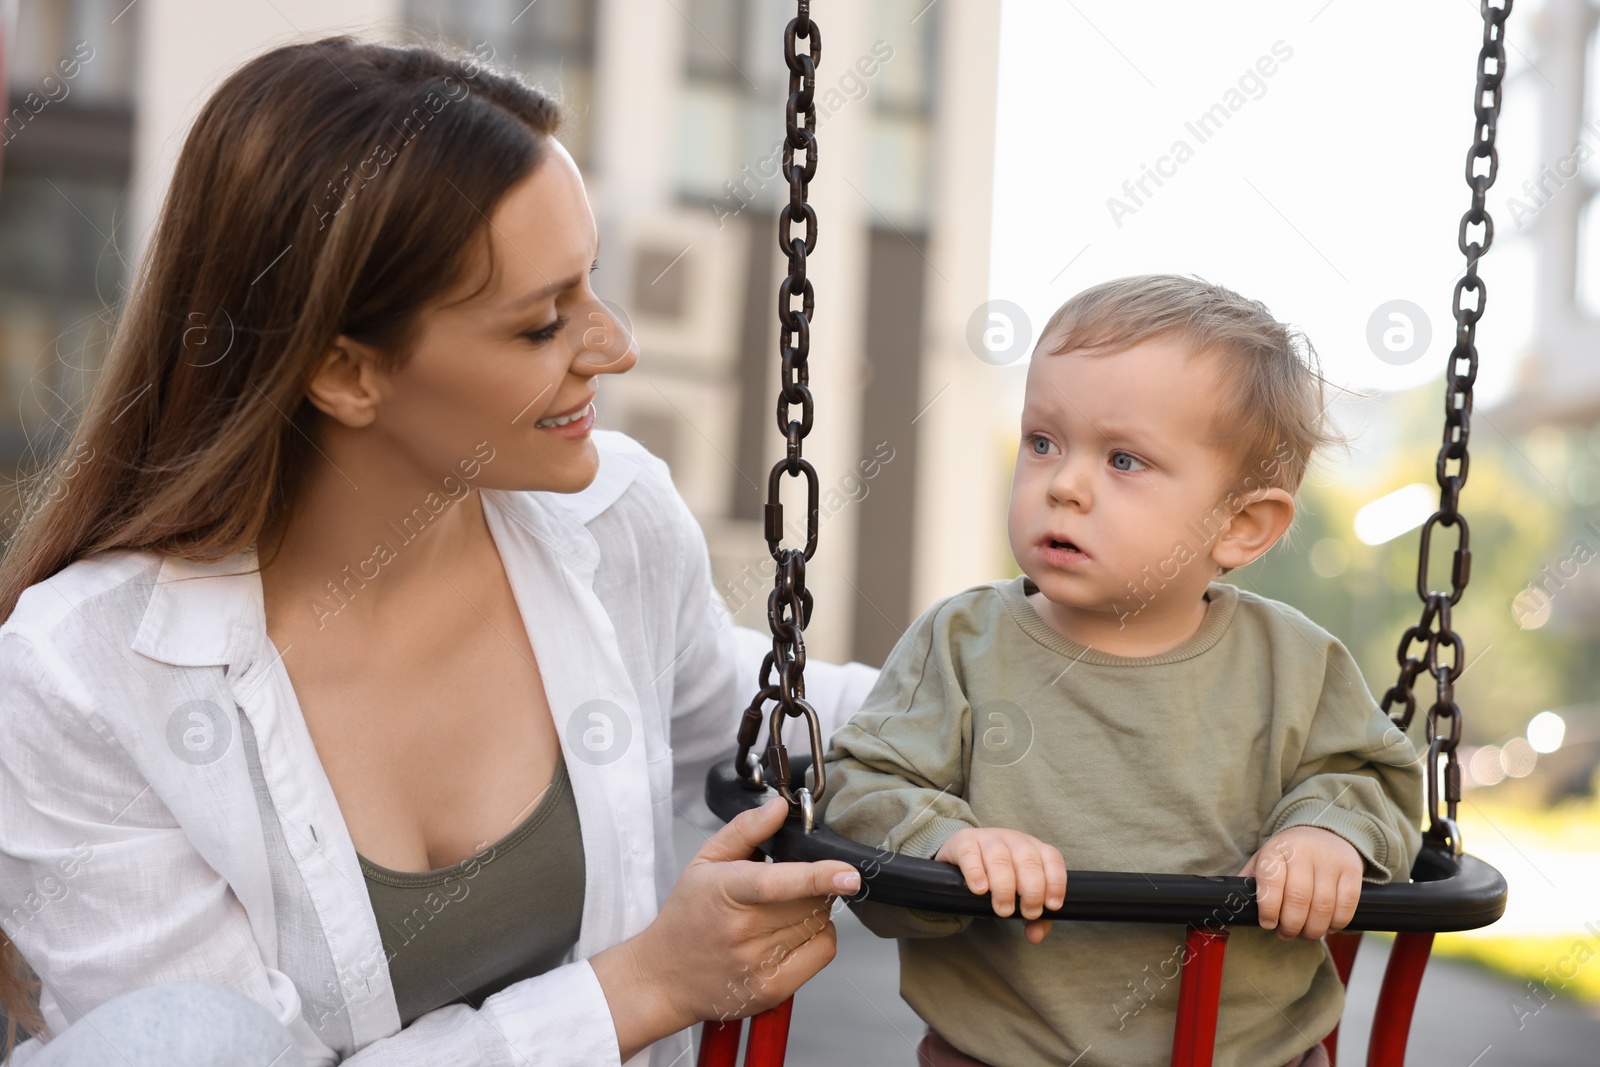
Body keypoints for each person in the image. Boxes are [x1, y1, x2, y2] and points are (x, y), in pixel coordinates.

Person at [0, 36, 877, 1067]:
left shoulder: (609, 518)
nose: (613, 345)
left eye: (589, 285)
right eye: (541, 324)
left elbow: (760, 709)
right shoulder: (84, 677)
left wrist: (1044, 675)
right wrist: (641, 986)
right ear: (344, 372)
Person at [817, 275, 1425, 1067]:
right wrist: (948, 842)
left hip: (1251, 1054)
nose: (1063, 483)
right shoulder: (962, 643)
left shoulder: (1295, 664)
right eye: (1042, 441)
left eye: (1124, 459)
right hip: (1003, 1054)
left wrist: (1323, 832)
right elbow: (860, 786)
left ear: (1242, 525)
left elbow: (1372, 778)